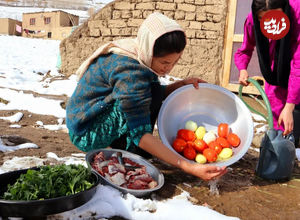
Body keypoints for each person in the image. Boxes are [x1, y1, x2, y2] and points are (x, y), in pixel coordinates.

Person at [66, 12, 227, 181]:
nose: (169, 69)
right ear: (150, 51)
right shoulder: (129, 71)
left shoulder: (137, 52)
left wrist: (180, 85)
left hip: (95, 113)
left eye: (175, 62)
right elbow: (140, 133)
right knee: (142, 103)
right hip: (86, 130)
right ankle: (120, 147)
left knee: (151, 91)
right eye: (165, 63)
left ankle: (127, 145)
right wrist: (188, 166)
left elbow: (150, 92)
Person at [234, 0, 300, 145]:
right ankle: (285, 151)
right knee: (280, 125)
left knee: (293, 113)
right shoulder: (252, 19)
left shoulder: (297, 14)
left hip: (296, 66)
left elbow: (298, 64)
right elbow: (245, 49)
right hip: (275, 74)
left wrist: (289, 106)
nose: (272, 25)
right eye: (264, 19)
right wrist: (242, 69)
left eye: (276, 18)